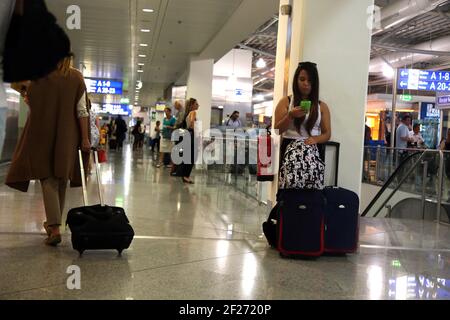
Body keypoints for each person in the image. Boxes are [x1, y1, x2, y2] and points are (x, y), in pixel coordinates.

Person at [5, 52, 91, 247]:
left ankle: (53, 227)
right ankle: (54, 224)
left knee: (47, 177)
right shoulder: (77, 77)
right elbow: (82, 111)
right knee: (61, 178)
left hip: (42, 134)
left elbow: (28, 98)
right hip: (67, 136)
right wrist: (85, 138)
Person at [274, 61, 331, 192]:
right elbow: (277, 130)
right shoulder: (286, 102)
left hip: (313, 150)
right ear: (296, 80)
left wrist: (315, 139)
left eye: (310, 80)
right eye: (302, 79)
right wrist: (290, 116)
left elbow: (327, 134)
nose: (306, 83)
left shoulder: (321, 106)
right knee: (288, 190)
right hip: (289, 148)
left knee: (312, 192)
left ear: (315, 83)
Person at [178, 98, 200, 184]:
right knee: (191, 157)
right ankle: (186, 176)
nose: (198, 105)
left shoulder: (187, 114)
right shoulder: (193, 112)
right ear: (192, 105)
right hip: (191, 135)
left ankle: (185, 176)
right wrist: (194, 130)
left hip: (188, 135)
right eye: (196, 104)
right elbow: (191, 123)